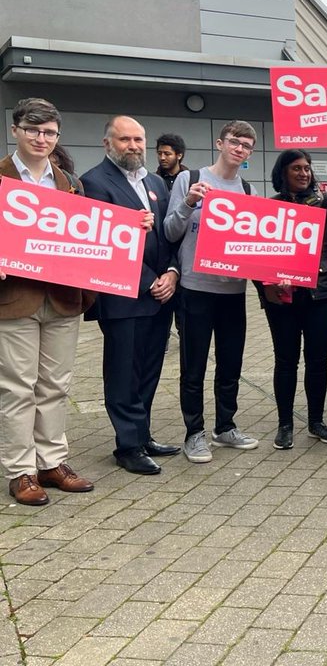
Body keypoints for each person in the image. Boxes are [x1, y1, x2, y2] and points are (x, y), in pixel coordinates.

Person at [0, 98, 97, 505]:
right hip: (14, 298)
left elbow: (89, 235)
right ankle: (20, 471)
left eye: (49, 132)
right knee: (17, 388)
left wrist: (136, 226)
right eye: (33, 130)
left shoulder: (68, 183)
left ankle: (51, 462)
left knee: (55, 386)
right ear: (16, 131)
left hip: (61, 298)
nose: (42, 138)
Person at [80, 115, 182, 475]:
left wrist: (171, 272)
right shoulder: (93, 182)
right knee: (124, 372)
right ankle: (127, 446)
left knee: (150, 370)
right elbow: (103, 243)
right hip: (124, 295)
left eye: (139, 139)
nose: (134, 146)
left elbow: (169, 234)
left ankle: (142, 434)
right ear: (108, 144)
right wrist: (148, 280)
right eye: (125, 140)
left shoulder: (154, 181)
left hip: (160, 295)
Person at [163, 120, 261, 463]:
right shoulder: (189, 180)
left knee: (231, 364)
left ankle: (225, 426)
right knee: (194, 366)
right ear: (220, 143)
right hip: (195, 289)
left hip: (233, 291)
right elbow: (170, 233)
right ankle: (194, 432)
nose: (240, 149)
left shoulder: (247, 191)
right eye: (235, 142)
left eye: (247, 145)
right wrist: (188, 202)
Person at [257, 150, 327, 451]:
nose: (304, 173)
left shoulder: (324, 203)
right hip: (283, 299)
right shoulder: (270, 207)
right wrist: (266, 285)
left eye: (307, 168)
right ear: (283, 172)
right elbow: (255, 255)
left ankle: (316, 421)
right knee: (286, 361)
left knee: (318, 361)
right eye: (296, 168)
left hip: (322, 294)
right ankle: (285, 425)